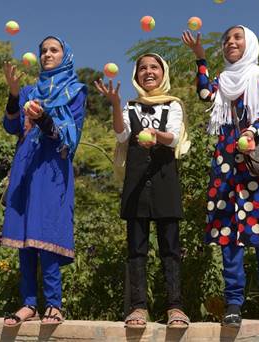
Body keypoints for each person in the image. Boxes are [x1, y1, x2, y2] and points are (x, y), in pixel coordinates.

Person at [182, 25, 259, 327]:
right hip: (225, 162)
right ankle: (234, 302)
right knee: (228, 234)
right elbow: (205, 93)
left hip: (256, 161)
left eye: (237, 38)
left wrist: (251, 131)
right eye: (226, 39)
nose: (230, 42)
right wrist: (200, 59)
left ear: (250, 43)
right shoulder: (222, 80)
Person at [94, 53, 190, 329]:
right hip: (136, 184)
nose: (148, 72)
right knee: (136, 249)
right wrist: (114, 104)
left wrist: (155, 136)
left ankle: (175, 307)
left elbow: (173, 137)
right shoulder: (130, 106)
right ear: (136, 75)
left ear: (163, 72)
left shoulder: (173, 104)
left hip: (164, 180)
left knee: (170, 248)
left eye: (154, 67)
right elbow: (121, 135)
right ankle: (138, 308)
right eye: (143, 68)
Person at [1, 36, 87, 327]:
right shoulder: (29, 91)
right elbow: (12, 126)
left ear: (66, 54)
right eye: (44, 51)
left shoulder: (75, 91)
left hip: (53, 169)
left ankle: (53, 303)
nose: (47, 54)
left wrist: (43, 120)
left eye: (54, 50)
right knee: (26, 237)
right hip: (26, 166)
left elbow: (70, 134)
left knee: (47, 233)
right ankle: (28, 304)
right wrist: (14, 95)